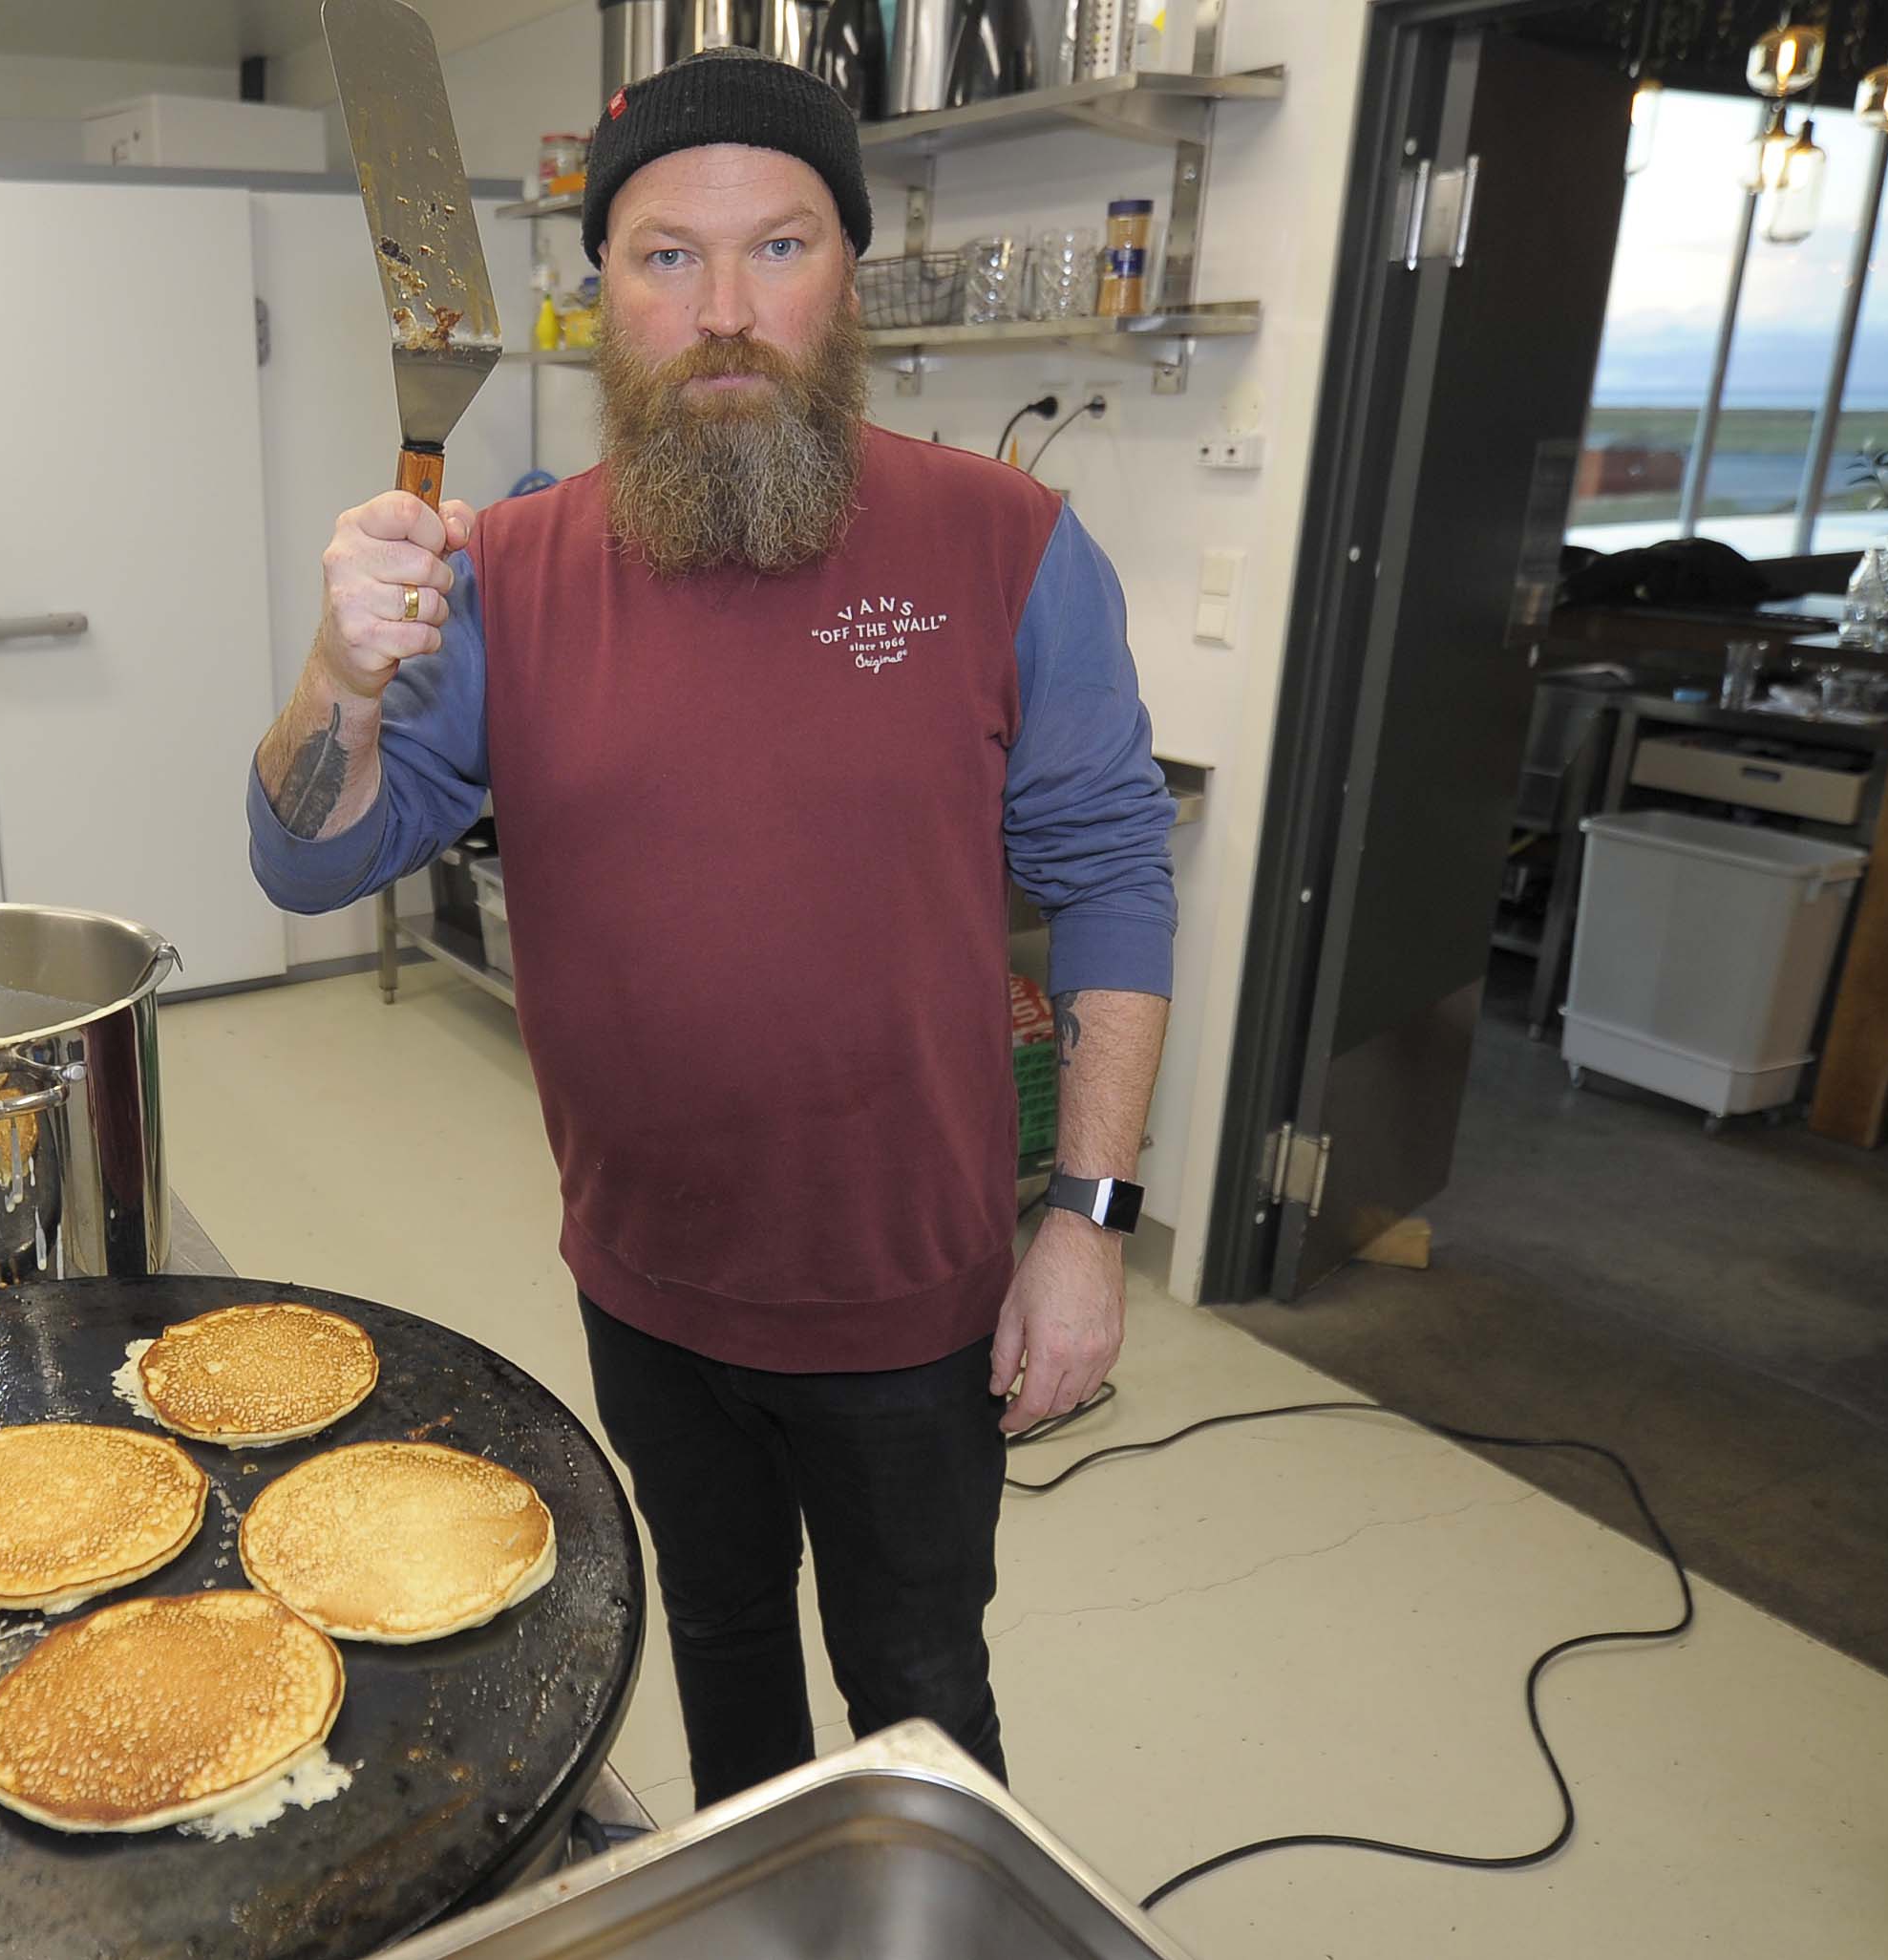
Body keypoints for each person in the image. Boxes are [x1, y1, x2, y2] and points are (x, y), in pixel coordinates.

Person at [243, 49, 1175, 1807]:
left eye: (782, 248)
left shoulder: (1007, 544)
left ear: (852, 272)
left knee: (916, 1687)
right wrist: (335, 680)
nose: (727, 310)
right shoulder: (502, 571)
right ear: (601, 298)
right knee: (727, 1645)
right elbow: (307, 868)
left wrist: (1090, 1228)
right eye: (668, 256)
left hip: (914, 1299)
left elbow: (1116, 874)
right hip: (647, 1285)